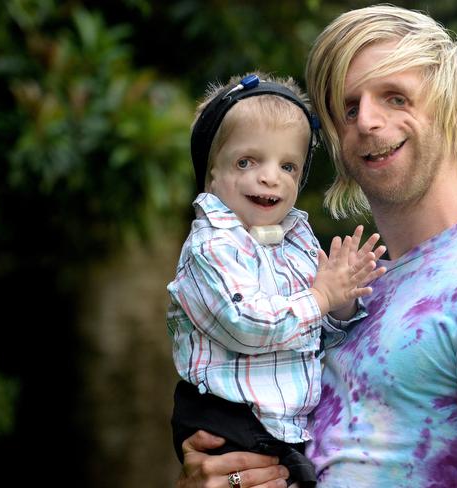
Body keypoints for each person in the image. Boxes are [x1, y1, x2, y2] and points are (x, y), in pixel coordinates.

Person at [175, 5, 457, 488]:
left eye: (395, 98)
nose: (367, 121)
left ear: (449, 107)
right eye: (349, 108)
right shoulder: (345, 291)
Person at [166, 72, 387, 488]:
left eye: (287, 166)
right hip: (226, 417)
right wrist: (319, 297)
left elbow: (310, 334)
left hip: (279, 424)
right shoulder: (210, 248)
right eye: (247, 162)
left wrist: (340, 303)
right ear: (211, 175)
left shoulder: (293, 244)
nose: (270, 177)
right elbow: (248, 326)